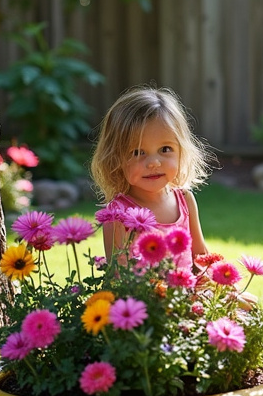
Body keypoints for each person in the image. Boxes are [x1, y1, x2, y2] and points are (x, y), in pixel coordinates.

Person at [90, 85, 213, 264]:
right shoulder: (118, 215)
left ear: (182, 151)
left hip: (190, 290)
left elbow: (201, 257)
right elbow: (119, 277)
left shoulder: (185, 200)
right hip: (143, 293)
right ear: (115, 159)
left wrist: (227, 289)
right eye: (138, 152)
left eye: (165, 149)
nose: (154, 162)